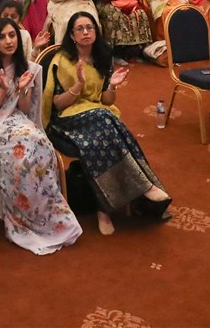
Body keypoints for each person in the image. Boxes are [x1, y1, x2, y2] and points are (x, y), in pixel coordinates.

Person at [45, 12, 172, 235]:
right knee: (108, 120)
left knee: (101, 134)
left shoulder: (103, 57)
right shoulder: (62, 60)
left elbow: (106, 100)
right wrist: (78, 85)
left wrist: (112, 85)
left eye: (90, 27)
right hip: (65, 120)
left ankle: (103, 209)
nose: (86, 32)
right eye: (80, 29)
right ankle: (145, 186)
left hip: (97, 115)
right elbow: (57, 104)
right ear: (72, 35)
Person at [0, 18, 82, 253]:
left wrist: (23, 89)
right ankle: (24, 218)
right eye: (2, 37)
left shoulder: (26, 68)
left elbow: (24, 109)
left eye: (12, 35)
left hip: (18, 122)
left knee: (41, 144)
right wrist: (3, 91)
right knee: (20, 157)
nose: (8, 41)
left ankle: (50, 218)